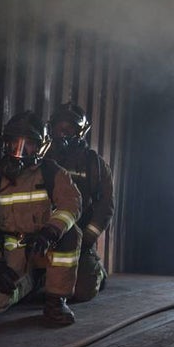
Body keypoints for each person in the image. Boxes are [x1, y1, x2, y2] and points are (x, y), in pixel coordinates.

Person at [0, 110, 83, 326]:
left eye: (28, 144)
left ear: (40, 146)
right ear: (6, 143)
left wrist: (51, 231)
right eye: (14, 142)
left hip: (45, 246)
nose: (20, 150)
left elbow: (72, 204)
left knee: (71, 235)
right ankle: (30, 282)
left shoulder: (52, 172)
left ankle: (56, 300)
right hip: (13, 252)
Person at [45, 103, 115, 303]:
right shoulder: (41, 157)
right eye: (59, 128)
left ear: (81, 132)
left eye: (69, 129)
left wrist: (86, 240)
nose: (62, 134)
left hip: (78, 237)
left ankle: (97, 272)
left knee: (81, 292)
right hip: (43, 234)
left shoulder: (95, 165)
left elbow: (105, 207)